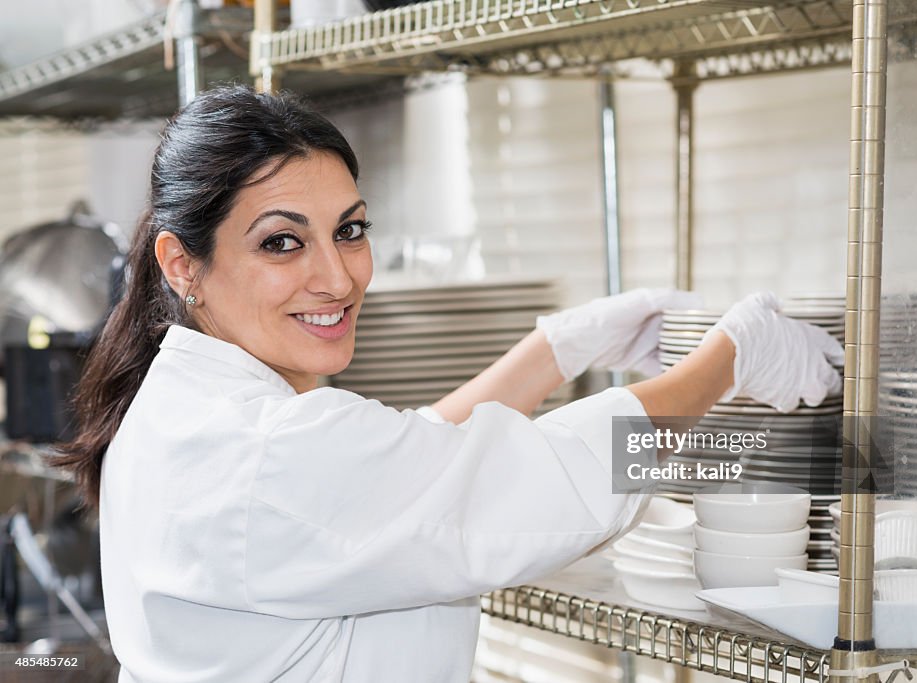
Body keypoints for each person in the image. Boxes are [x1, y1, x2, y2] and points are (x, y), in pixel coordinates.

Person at [56, 85, 843, 682]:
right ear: (181, 263)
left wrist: (553, 349)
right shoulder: (268, 447)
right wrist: (727, 360)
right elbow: (536, 486)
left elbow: (406, 475)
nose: (335, 276)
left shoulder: (183, 407)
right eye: (282, 242)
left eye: (351, 230)